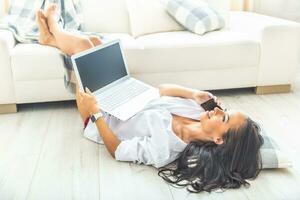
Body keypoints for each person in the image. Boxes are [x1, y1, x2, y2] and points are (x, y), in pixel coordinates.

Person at [36, 5, 264, 193]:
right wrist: (193, 93)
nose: (217, 110)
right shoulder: (197, 112)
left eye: (223, 118)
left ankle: (54, 26)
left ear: (218, 140)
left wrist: (95, 112)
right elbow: (162, 90)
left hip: (100, 116)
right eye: (225, 110)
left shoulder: (165, 149)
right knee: (94, 41)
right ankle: (49, 38)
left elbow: (117, 150)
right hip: (127, 92)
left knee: (84, 47)